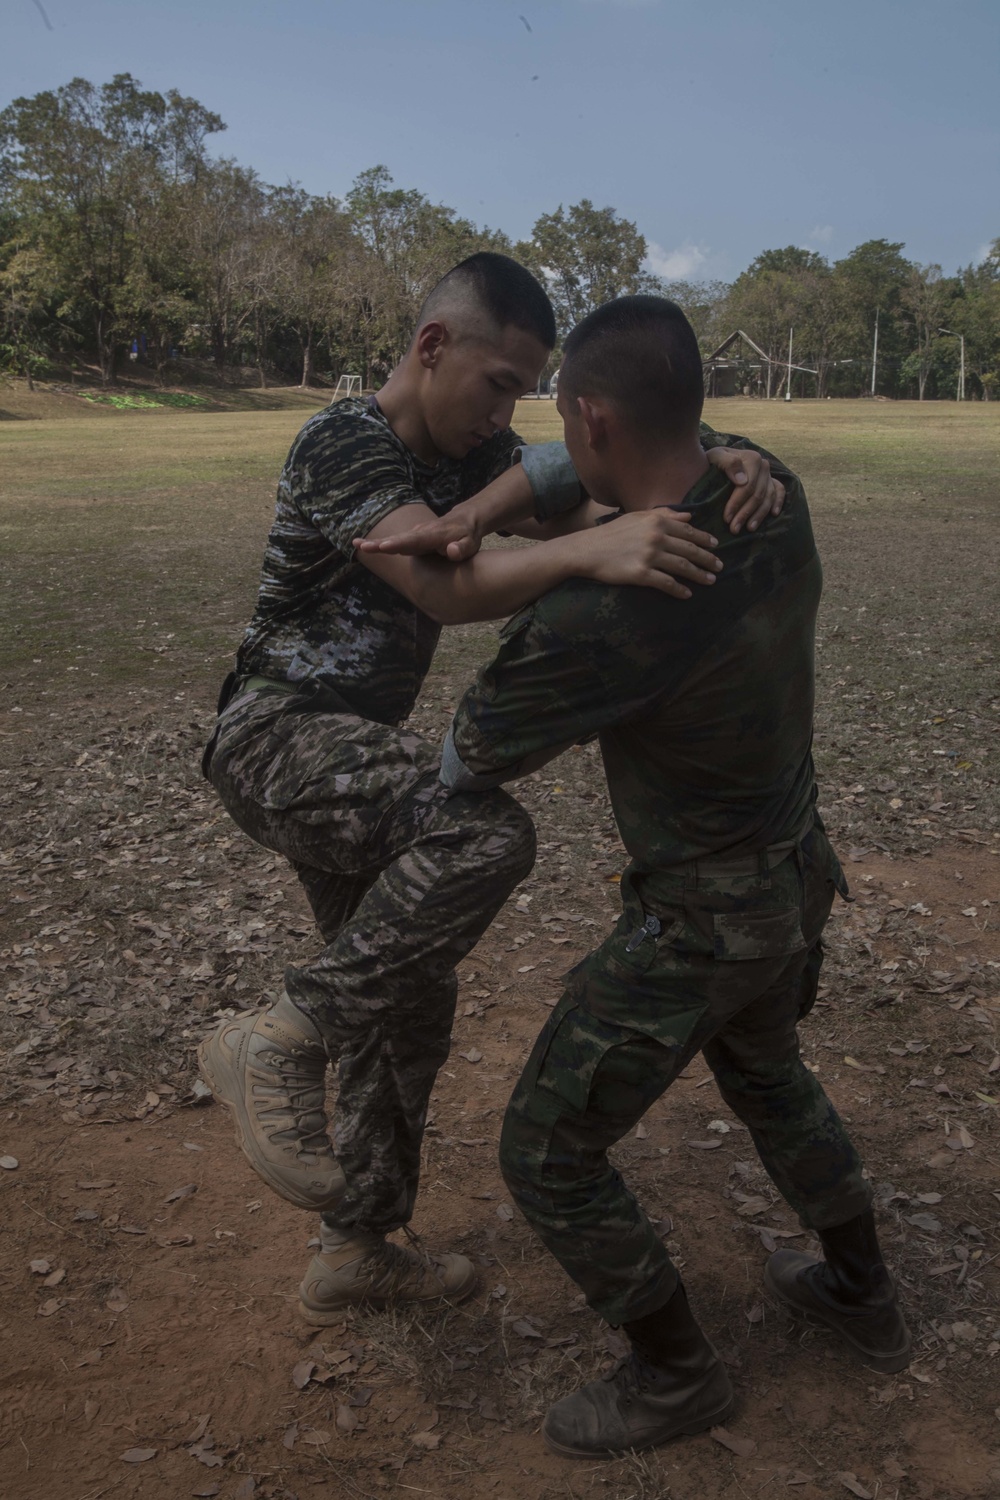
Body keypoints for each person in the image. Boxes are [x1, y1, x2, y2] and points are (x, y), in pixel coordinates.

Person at [196, 253, 783, 1322]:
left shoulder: (479, 458)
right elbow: (437, 583)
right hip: (274, 732)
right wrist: (591, 555)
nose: (507, 409)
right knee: (482, 837)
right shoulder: (343, 443)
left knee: (411, 998)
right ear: (432, 347)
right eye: (498, 382)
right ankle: (279, 1035)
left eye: (526, 391)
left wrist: (733, 461)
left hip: (354, 758)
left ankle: (355, 1246)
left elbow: (605, 477)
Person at [439, 295, 910, 1458]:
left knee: (546, 1149)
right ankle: (862, 1289)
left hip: (699, 919)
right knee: (768, 1077)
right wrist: (580, 503)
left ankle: (674, 1371)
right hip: (793, 875)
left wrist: (550, 554)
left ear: (591, 415)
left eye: (563, 414)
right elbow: (638, 462)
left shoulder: (608, 613)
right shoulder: (769, 490)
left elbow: (470, 752)